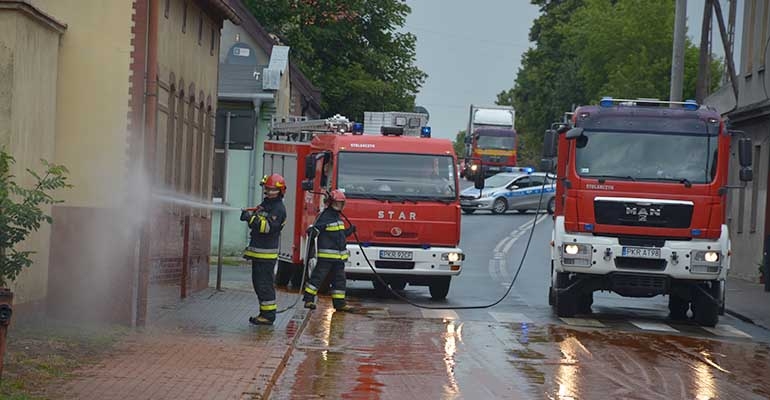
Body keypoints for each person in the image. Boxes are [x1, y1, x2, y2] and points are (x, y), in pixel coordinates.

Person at [240, 173, 287, 325]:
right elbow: (258, 221)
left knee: (264, 285)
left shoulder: (278, 208)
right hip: (259, 253)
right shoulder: (266, 204)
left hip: (266, 254)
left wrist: (250, 218)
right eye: (267, 188)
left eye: (273, 189)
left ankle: (268, 316)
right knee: (258, 284)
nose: (269, 192)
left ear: (280, 191)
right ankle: (264, 313)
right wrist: (250, 217)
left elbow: (267, 227)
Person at [303, 189, 357, 312]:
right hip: (326, 258)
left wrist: (349, 231)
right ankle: (308, 300)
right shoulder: (325, 216)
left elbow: (339, 235)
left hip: (339, 259)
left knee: (340, 281)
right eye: (337, 203)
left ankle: (340, 304)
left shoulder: (338, 218)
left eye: (341, 203)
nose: (339, 205)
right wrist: (312, 232)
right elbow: (317, 229)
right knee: (317, 278)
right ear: (330, 202)